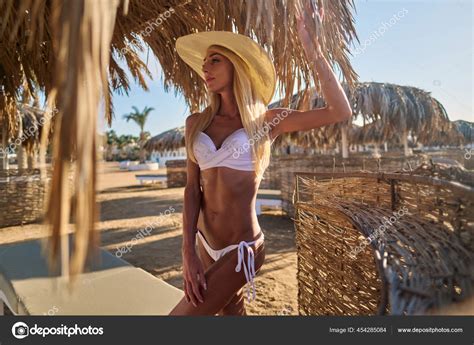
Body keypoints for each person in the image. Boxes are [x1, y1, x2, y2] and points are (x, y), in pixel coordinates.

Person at [169, 4, 352, 315]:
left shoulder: (267, 121)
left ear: (237, 66)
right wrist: (188, 250)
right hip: (204, 244)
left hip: (243, 249)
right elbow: (191, 190)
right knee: (233, 315)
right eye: (204, 63)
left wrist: (314, 51)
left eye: (215, 60)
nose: (206, 68)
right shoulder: (195, 123)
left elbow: (339, 111)